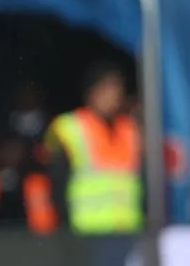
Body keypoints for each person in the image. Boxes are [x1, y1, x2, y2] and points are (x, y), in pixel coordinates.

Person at [43, 63, 142, 234]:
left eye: (117, 90)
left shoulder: (130, 129)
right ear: (92, 92)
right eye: (107, 90)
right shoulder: (69, 127)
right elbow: (55, 184)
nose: (113, 97)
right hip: (84, 233)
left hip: (128, 231)